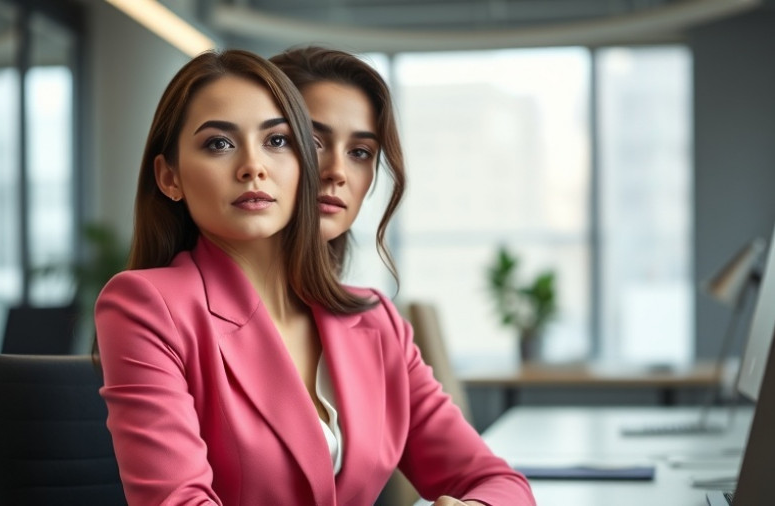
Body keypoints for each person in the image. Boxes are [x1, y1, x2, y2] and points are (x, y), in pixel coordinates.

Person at [95, 49, 534, 506]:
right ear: (170, 178)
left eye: (276, 141)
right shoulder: (148, 304)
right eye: (313, 141)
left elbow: (496, 481)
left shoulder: (376, 321)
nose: (335, 173)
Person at [270, 46, 405, 282]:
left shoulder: (381, 317)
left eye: (360, 152)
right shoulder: (184, 311)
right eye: (311, 143)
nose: (337, 172)